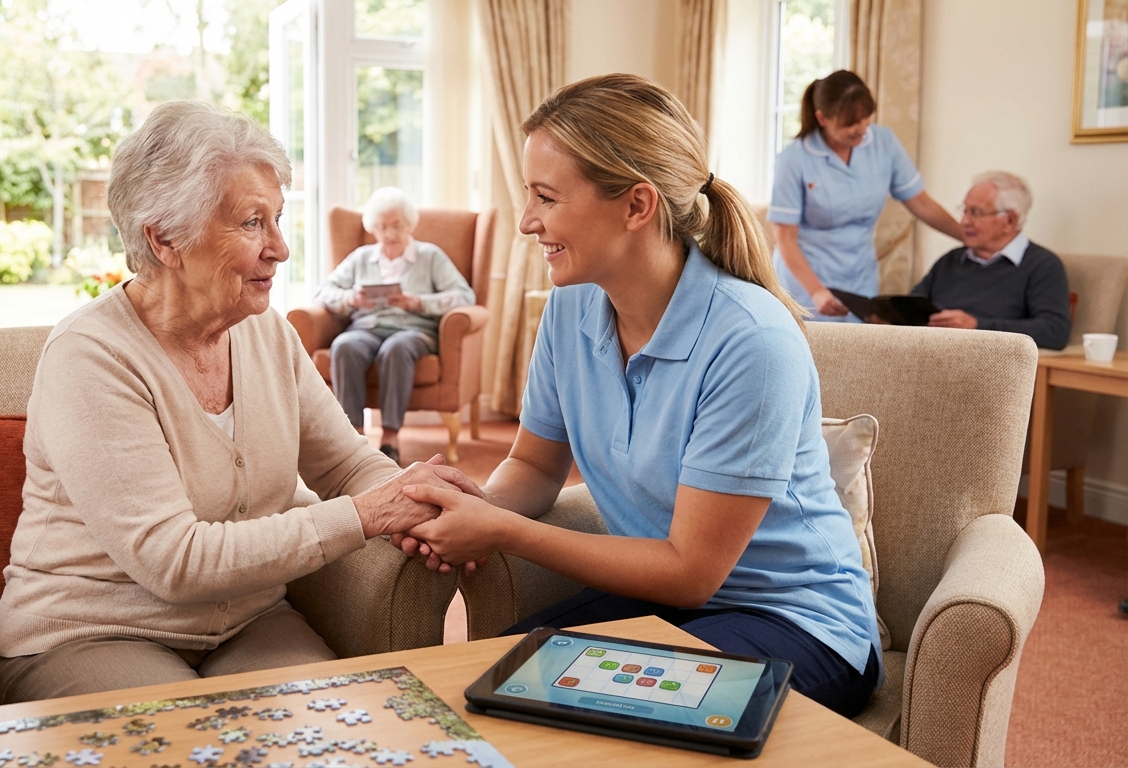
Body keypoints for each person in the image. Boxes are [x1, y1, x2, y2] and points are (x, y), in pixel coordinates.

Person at [394, 74, 883, 717]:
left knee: (579, 716)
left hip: (798, 623)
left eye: (546, 197)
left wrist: (503, 531)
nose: (525, 221)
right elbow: (538, 465)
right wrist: (468, 507)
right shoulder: (569, 310)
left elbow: (690, 570)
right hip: (675, 605)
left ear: (636, 206)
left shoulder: (752, 342)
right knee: (488, 683)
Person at [0, 101, 481, 704]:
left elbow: (346, 465)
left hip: (248, 622)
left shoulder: (266, 331)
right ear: (165, 238)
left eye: (277, 219)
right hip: (92, 631)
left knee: (330, 734)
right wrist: (366, 516)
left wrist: (416, 500)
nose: (280, 248)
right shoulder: (89, 357)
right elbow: (174, 560)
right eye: (252, 223)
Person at [768, 70, 964, 320]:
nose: (860, 130)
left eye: (865, 120)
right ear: (822, 118)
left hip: (859, 278)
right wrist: (816, 291)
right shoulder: (794, 159)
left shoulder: (883, 143)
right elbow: (785, 239)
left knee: (859, 352)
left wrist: (967, 237)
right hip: (806, 282)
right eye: (849, 124)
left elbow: (921, 203)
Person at [314, 187, 475, 464]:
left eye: (396, 226)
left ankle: (390, 436)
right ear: (373, 228)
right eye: (382, 227)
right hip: (366, 327)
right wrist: (351, 299)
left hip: (413, 330)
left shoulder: (430, 257)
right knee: (344, 346)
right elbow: (323, 291)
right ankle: (353, 438)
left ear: (409, 224)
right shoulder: (362, 257)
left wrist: (418, 303)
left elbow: (464, 296)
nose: (389, 234)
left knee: (396, 348)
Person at [911, 171, 1070, 349]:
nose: (964, 221)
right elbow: (910, 305)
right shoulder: (951, 260)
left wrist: (977, 326)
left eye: (975, 213)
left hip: (987, 365)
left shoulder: (1042, 265)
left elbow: (1055, 331)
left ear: (1009, 220)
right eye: (964, 211)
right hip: (927, 356)